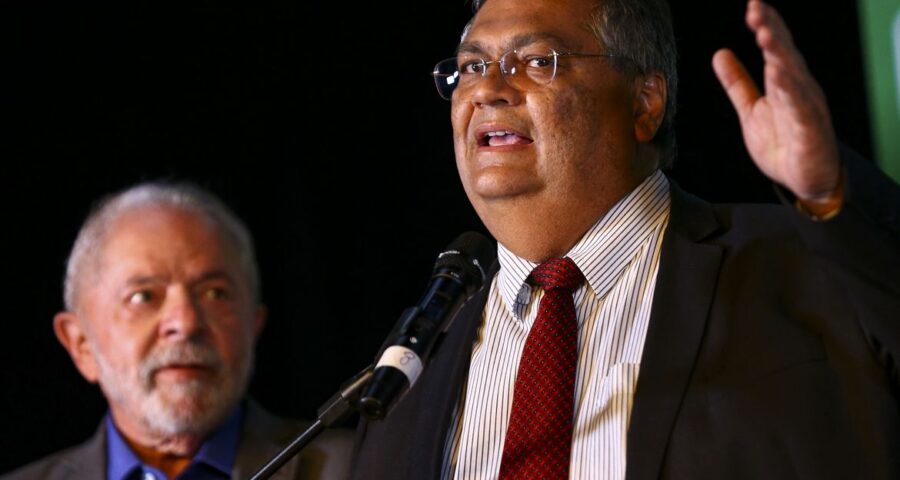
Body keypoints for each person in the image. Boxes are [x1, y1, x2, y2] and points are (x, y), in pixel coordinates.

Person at [352, 0, 900, 478]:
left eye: (539, 61)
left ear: (644, 103)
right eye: (472, 66)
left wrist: (832, 193)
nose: (488, 91)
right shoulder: (410, 371)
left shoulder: (803, 262)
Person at [2, 183, 352, 480]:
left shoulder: (361, 466)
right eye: (143, 296)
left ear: (253, 326)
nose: (185, 323)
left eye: (215, 293)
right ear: (81, 345)